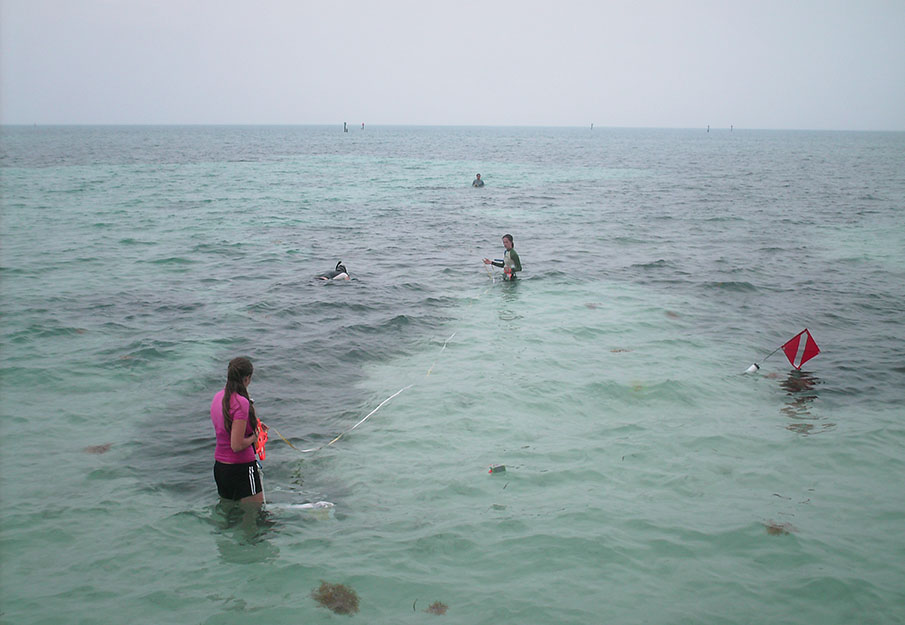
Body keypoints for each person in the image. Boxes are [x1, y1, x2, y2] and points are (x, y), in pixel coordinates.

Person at [211, 357, 265, 504]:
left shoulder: (218, 397)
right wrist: (255, 437)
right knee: (255, 517)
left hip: (221, 468)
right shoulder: (241, 403)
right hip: (242, 468)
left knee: (229, 518)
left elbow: (227, 430)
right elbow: (236, 445)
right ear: (247, 378)